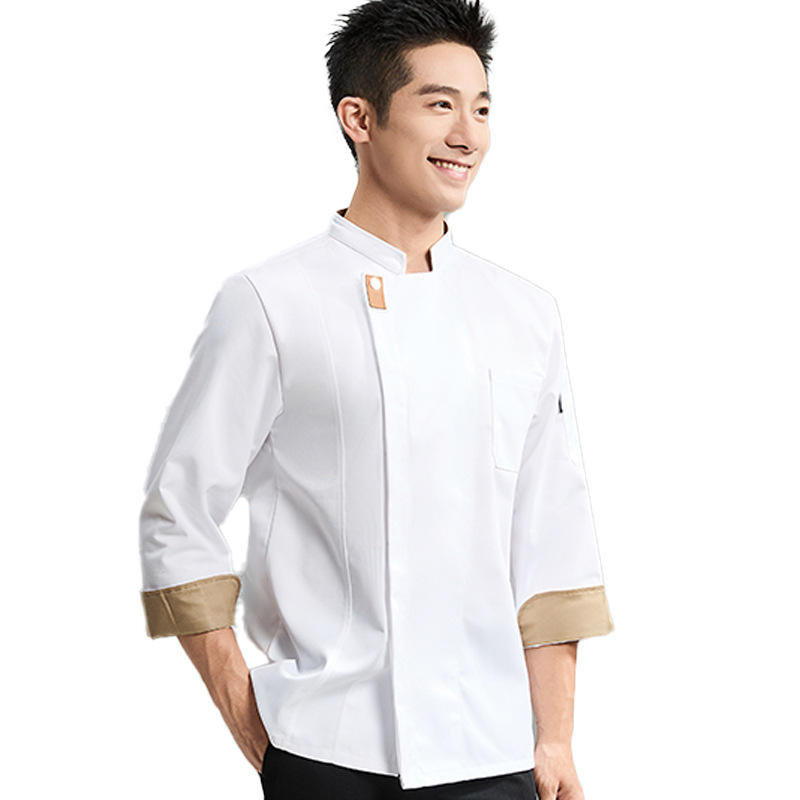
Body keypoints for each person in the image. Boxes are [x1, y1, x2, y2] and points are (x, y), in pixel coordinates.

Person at [138, 1, 614, 798]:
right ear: (358, 118)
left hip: (496, 754)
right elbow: (177, 512)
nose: (467, 134)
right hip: (330, 749)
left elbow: (552, 539)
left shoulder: (526, 314)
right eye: (439, 104)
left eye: (481, 108)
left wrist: (556, 738)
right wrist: (249, 720)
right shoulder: (270, 302)